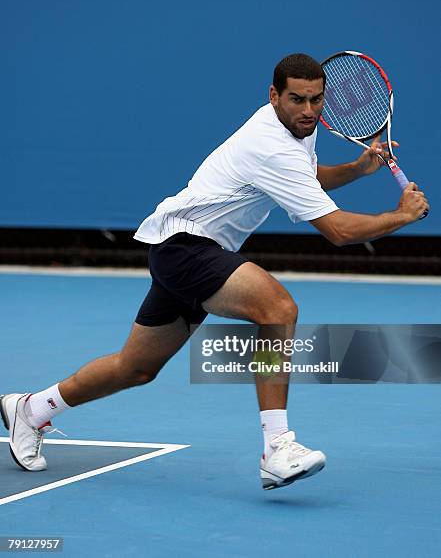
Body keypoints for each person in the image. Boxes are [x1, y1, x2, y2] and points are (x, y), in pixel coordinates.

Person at [1, 54, 429, 491]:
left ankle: (32, 409)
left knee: (136, 367)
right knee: (277, 309)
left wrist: (357, 169)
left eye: (316, 100)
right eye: (297, 99)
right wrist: (399, 216)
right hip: (187, 247)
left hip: (183, 249)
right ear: (273, 96)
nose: (308, 110)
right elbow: (337, 231)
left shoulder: (295, 130)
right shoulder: (270, 144)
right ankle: (277, 447)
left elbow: (307, 176)